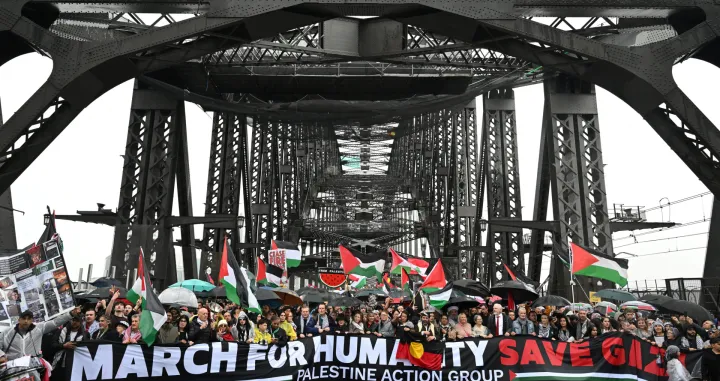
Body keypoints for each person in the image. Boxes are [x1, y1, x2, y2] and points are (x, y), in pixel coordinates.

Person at [0, 308, 79, 360]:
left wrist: (70, 314)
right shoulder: (7, 332)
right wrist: (2, 356)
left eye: (29, 319)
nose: (26, 321)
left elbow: (55, 322)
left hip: (33, 368)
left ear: (32, 320)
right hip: (12, 370)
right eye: (24, 319)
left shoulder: (39, 328)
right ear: (19, 320)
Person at [51, 315, 90, 379]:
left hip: (76, 365)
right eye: (72, 320)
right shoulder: (61, 331)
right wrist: (63, 345)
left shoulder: (85, 334)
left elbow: (87, 349)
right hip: (60, 363)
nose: (74, 322)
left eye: (76, 320)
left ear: (81, 321)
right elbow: (53, 345)